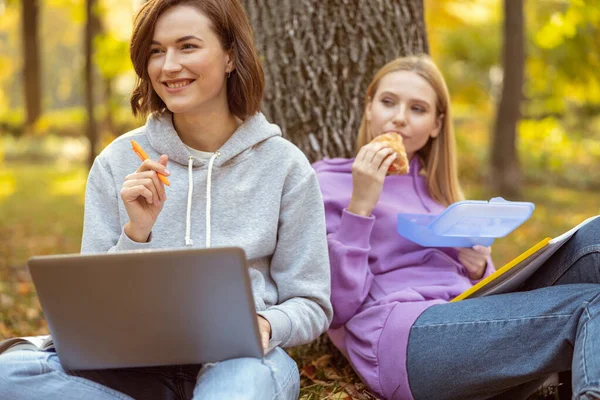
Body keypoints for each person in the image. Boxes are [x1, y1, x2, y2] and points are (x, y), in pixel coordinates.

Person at [0, 0, 332, 399]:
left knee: (241, 388)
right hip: (131, 368)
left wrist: (263, 325)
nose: (168, 66)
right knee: (10, 372)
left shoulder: (285, 166)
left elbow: (311, 302)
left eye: (187, 46)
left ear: (230, 56)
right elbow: (91, 313)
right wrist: (135, 233)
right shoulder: (117, 162)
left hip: (239, 362)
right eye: (156, 51)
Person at [313, 54, 600, 400]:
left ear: (436, 124)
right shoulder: (328, 181)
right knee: (592, 304)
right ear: (369, 108)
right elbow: (336, 308)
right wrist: (360, 206)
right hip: (404, 337)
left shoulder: (442, 194)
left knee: (594, 238)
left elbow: (483, 295)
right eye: (388, 102)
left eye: (417, 109)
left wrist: (479, 266)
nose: (400, 118)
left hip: (466, 315)